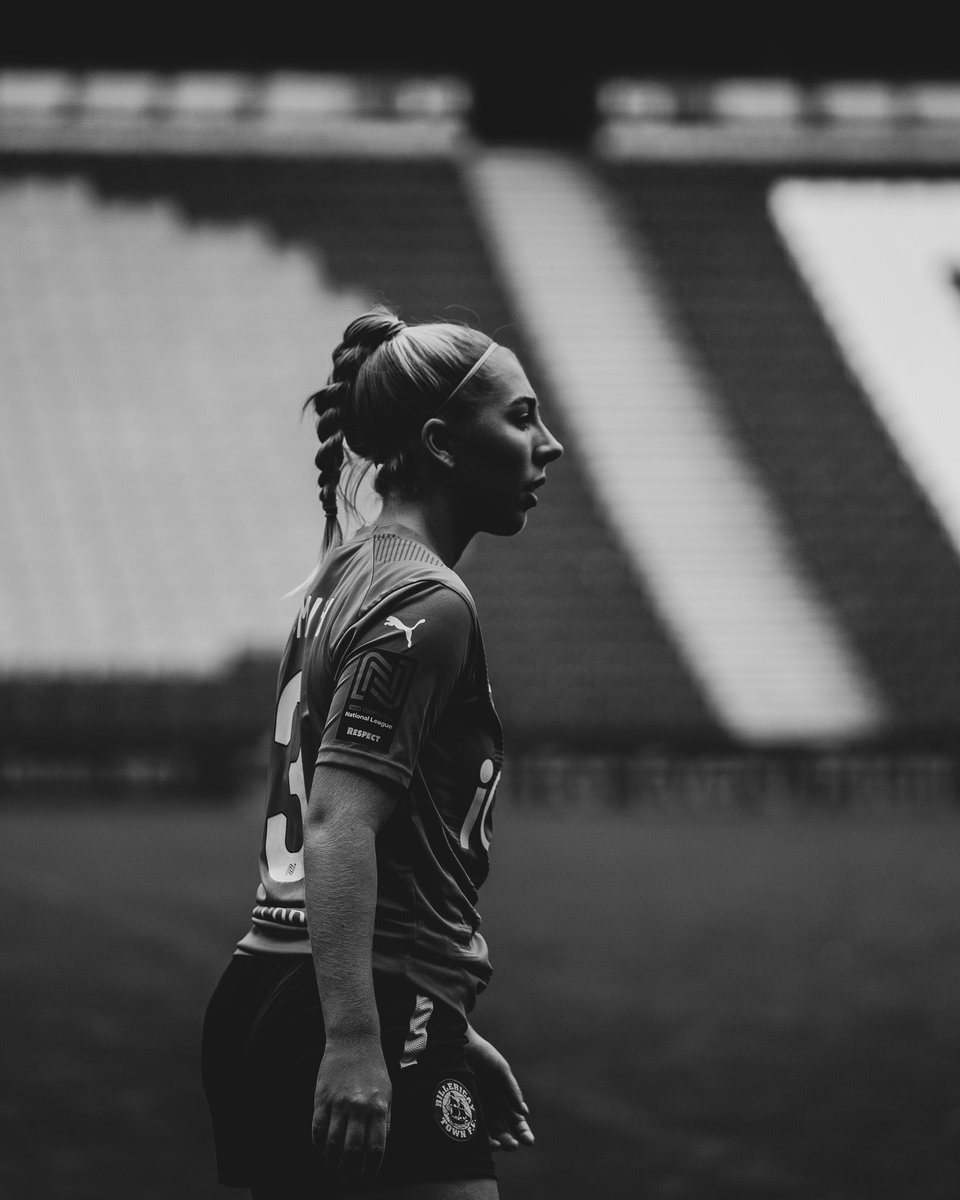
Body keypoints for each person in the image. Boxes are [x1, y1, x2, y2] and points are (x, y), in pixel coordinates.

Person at [201, 306, 563, 1198]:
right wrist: (363, 1038)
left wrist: (444, 1022)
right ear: (441, 442)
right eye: (521, 418)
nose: (547, 445)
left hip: (280, 986)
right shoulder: (428, 604)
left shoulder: (349, 573)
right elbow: (337, 825)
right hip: (350, 1007)